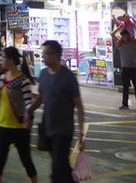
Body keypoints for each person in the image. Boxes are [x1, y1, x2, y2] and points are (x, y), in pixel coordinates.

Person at [26, 40, 85, 183]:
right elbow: (41, 97)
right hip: (48, 128)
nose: (43, 56)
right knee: (63, 168)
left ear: (56, 55)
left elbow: (79, 106)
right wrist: (29, 110)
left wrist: (81, 134)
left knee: (56, 171)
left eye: (46, 54)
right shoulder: (44, 74)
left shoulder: (68, 77)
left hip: (63, 131)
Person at [0, 46, 37, 183]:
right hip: (3, 125)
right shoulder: (2, 77)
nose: (1, 60)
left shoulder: (23, 81)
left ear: (11, 60)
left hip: (19, 128)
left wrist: (28, 115)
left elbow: (28, 101)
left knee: (26, 161)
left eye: (3, 57)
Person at [112, 23, 136, 110]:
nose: (124, 38)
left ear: (128, 36)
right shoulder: (120, 45)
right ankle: (125, 104)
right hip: (125, 68)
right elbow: (112, 34)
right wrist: (118, 28)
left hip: (133, 68)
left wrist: (135, 28)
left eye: (126, 36)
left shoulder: (133, 43)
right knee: (125, 88)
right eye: (123, 36)